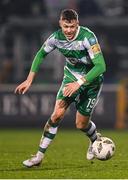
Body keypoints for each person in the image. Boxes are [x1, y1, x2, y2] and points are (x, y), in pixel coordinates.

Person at [15, 9, 106, 167]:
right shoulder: (56, 37)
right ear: (60, 24)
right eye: (66, 26)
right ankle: (38, 157)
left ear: (77, 24)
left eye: (72, 26)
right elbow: (40, 54)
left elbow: (101, 66)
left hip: (92, 81)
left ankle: (94, 140)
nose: (69, 30)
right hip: (71, 76)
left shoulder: (88, 37)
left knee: (81, 124)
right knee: (56, 115)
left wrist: (79, 83)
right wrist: (29, 80)